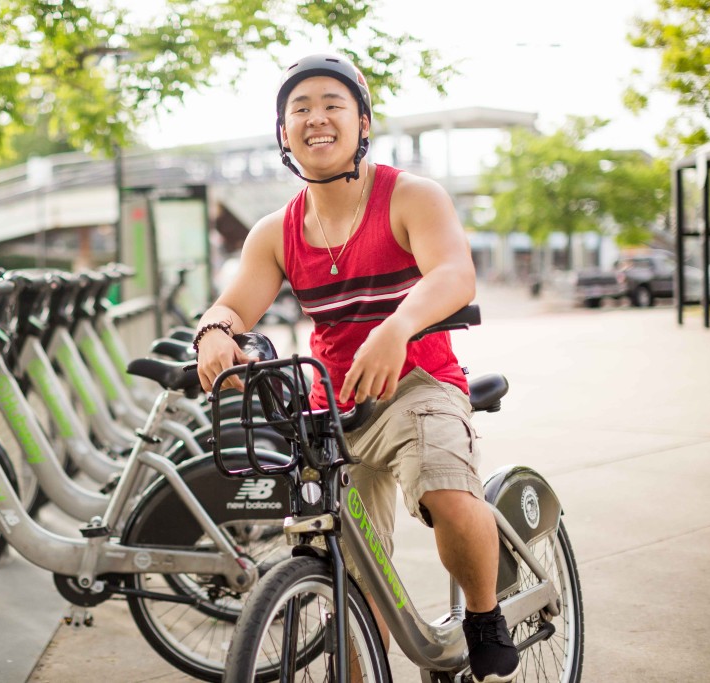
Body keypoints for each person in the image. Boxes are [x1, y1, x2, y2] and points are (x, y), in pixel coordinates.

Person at [193, 54, 519, 683]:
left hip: (418, 385)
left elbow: (454, 274)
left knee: (446, 494)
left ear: (363, 122)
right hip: (334, 407)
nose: (316, 118)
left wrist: (397, 327)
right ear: (283, 133)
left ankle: (483, 614)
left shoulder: (410, 195)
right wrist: (214, 333)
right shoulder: (275, 231)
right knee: (348, 565)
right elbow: (234, 304)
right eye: (300, 109)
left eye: (332, 105)